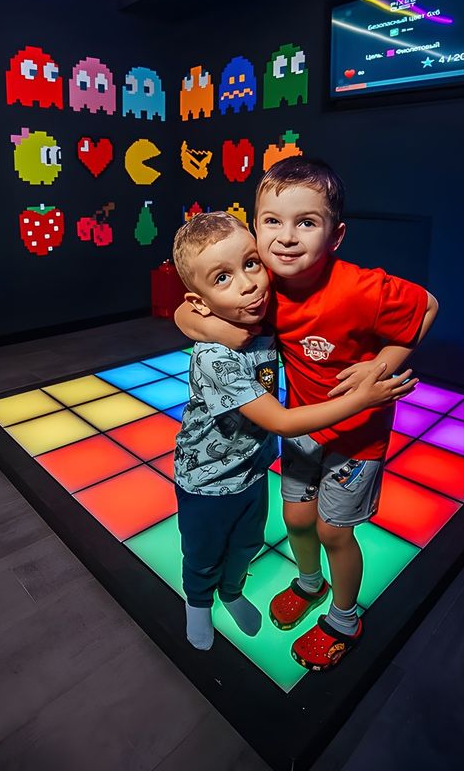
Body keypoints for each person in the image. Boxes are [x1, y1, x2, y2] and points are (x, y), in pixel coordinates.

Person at [174, 159, 439, 670]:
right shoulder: (262, 282)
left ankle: (344, 619)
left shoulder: (360, 288)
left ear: (335, 235)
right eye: (273, 221)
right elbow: (191, 308)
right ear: (255, 227)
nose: (288, 237)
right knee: (296, 518)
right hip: (301, 430)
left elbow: (427, 306)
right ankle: (310, 583)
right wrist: (219, 329)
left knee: (334, 532)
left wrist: (380, 367)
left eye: (307, 222)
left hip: (356, 437)